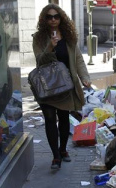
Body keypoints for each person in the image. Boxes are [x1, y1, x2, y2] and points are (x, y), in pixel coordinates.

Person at [32, 4, 91, 170]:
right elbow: (40, 60)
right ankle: (56, 156)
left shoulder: (69, 37)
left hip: (65, 86)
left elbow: (78, 59)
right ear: (44, 19)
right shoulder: (38, 38)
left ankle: (63, 149)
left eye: (56, 16)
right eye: (49, 17)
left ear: (61, 18)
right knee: (50, 119)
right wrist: (50, 46)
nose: (53, 20)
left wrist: (84, 78)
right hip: (47, 86)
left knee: (64, 118)